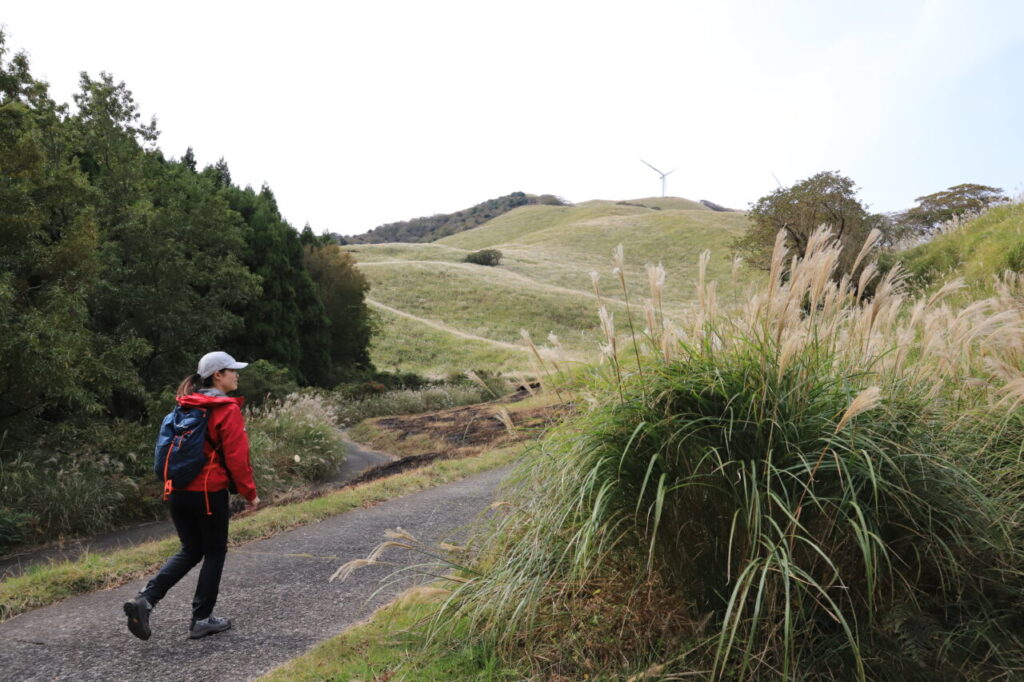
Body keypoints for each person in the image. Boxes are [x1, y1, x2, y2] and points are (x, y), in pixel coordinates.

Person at [123, 351, 260, 641]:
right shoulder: (225, 409)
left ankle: (145, 600)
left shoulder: (182, 407)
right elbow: (237, 458)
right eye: (231, 370)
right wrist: (250, 494)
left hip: (177, 492)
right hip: (208, 493)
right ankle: (202, 619)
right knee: (214, 551)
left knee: (191, 548)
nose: (237, 374)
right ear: (217, 375)